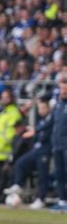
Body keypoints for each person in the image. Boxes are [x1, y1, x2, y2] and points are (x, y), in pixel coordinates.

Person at [3, 98, 53, 209]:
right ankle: (18, 185)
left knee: (42, 175)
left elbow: (44, 133)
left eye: (43, 108)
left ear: (48, 108)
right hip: (36, 150)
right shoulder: (41, 120)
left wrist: (35, 131)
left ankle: (40, 199)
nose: (41, 110)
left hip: (45, 151)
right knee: (20, 162)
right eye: (39, 108)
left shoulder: (51, 119)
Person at [0, 89, 22, 198]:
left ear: (11, 98)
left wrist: (6, 143)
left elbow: (13, 133)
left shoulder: (14, 113)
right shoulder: (4, 112)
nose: (4, 99)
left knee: (4, 175)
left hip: (6, 149)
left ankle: (1, 196)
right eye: (2, 97)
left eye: (6, 97)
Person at [50, 76, 67, 211]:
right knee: (59, 174)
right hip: (57, 145)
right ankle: (62, 201)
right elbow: (51, 122)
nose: (63, 91)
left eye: (64, 88)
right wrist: (36, 129)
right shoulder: (59, 104)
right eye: (61, 88)